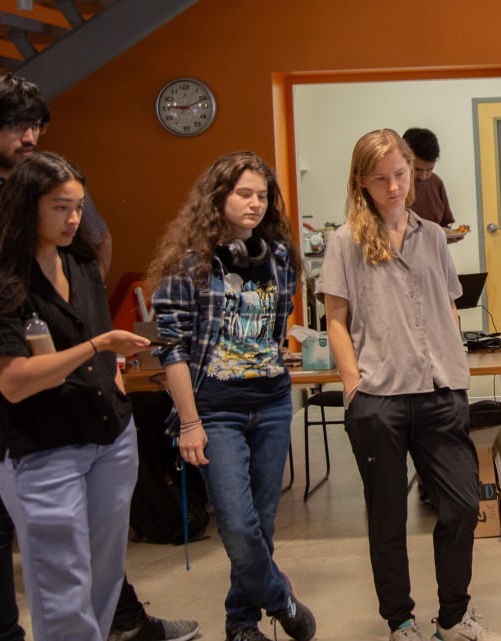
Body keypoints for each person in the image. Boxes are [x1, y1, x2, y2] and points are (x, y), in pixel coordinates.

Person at [0, 70, 196, 641]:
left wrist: (77, 314)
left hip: (70, 365)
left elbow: (97, 242)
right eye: (16, 127)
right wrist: (6, 294)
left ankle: (121, 620)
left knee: (95, 521)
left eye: (36, 126)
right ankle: (4, 628)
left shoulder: (51, 184)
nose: (29, 138)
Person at [0, 152, 149, 640]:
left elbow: (99, 347)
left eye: (78, 207)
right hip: (42, 446)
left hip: (109, 437)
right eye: (60, 207)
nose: (73, 219)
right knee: (62, 587)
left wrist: (114, 385)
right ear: (25, 207)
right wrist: (97, 346)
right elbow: (13, 381)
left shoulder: (80, 265)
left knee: (104, 576)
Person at [317, 129, 501, 641]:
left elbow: (447, 304)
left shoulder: (433, 235)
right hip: (378, 398)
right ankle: (400, 619)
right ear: (361, 182)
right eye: (381, 179)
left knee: (463, 504)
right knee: (388, 518)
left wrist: (453, 364)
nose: (395, 186)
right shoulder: (345, 241)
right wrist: (353, 384)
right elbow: (337, 319)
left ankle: (453, 616)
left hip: (440, 391)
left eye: (401, 174)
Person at [148, 151, 314, 641]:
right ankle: (281, 598)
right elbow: (172, 347)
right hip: (215, 412)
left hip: (272, 403)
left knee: (261, 526)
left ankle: (241, 624)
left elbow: (275, 329)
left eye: (262, 196)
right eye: (244, 193)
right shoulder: (190, 264)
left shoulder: (280, 258)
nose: (255, 204)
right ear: (218, 197)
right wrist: (189, 421)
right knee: (237, 526)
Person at [402, 127, 456, 229]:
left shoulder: (436, 182)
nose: (423, 177)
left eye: (430, 169)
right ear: (402, 160)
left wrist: (451, 235)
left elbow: (444, 226)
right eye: (417, 170)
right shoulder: (392, 186)